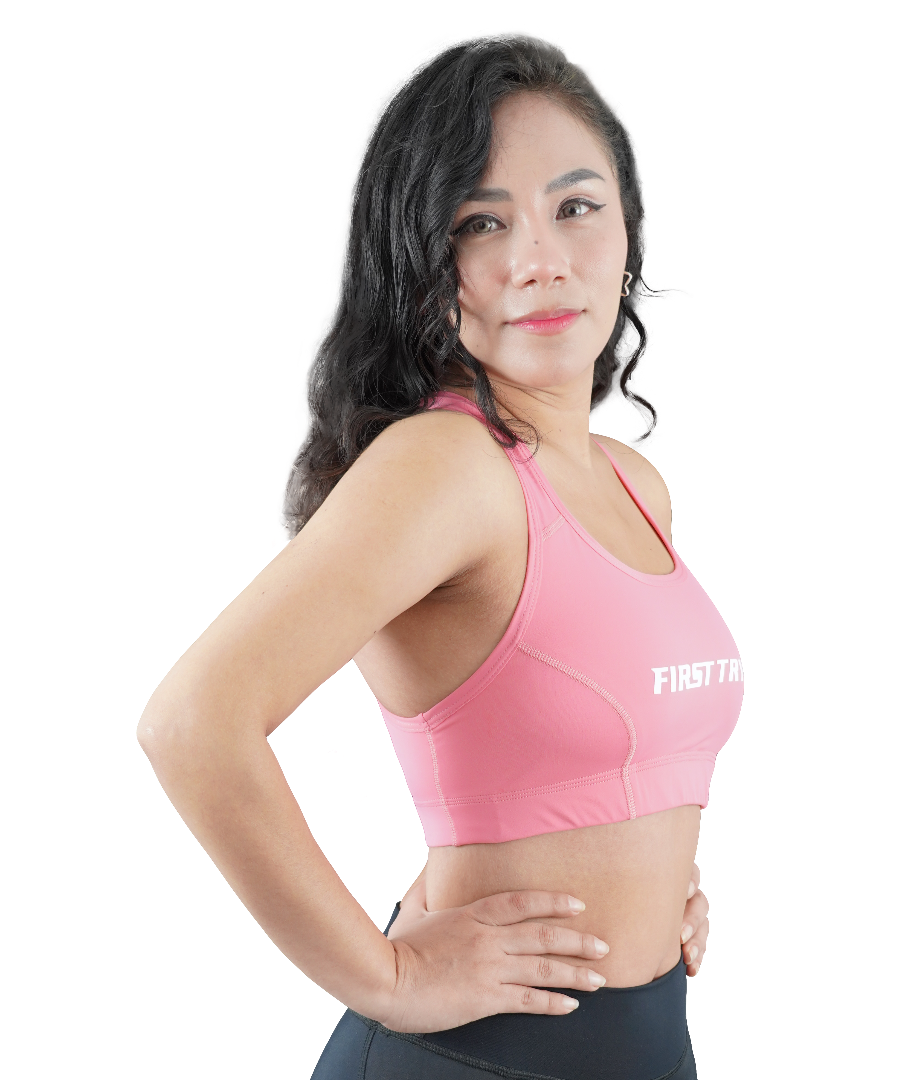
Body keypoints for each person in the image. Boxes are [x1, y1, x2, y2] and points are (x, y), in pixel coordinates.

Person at [136, 29, 736, 1080]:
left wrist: (662, 888)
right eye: (480, 222)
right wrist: (387, 978)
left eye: (575, 206)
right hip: (474, 1058)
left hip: (648, 1039)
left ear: (629, 228)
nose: (539, 259)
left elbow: (619, 762)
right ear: (426, 261)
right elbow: (192, 724)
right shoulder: (447, 465)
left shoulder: (635, 486)